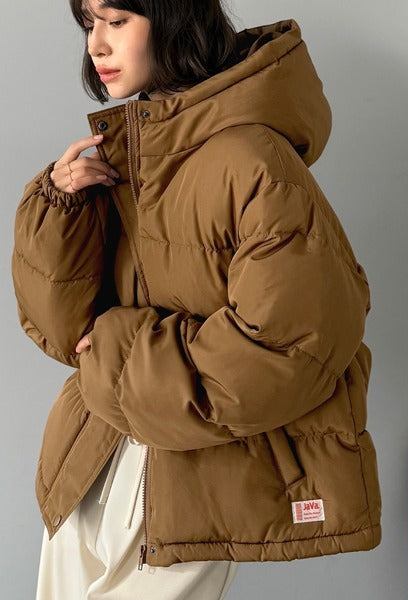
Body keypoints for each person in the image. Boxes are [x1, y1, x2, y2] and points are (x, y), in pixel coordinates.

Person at [11, 0, 382, 598]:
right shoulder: (130, 155)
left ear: (175, 17)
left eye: (117, 20)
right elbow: (64, 333)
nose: (97, 45)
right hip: (92, 461)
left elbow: (290, 349)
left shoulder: (253, 162)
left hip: (194, 482)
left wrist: (116, 352)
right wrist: (62, 210)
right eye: (89, 24)